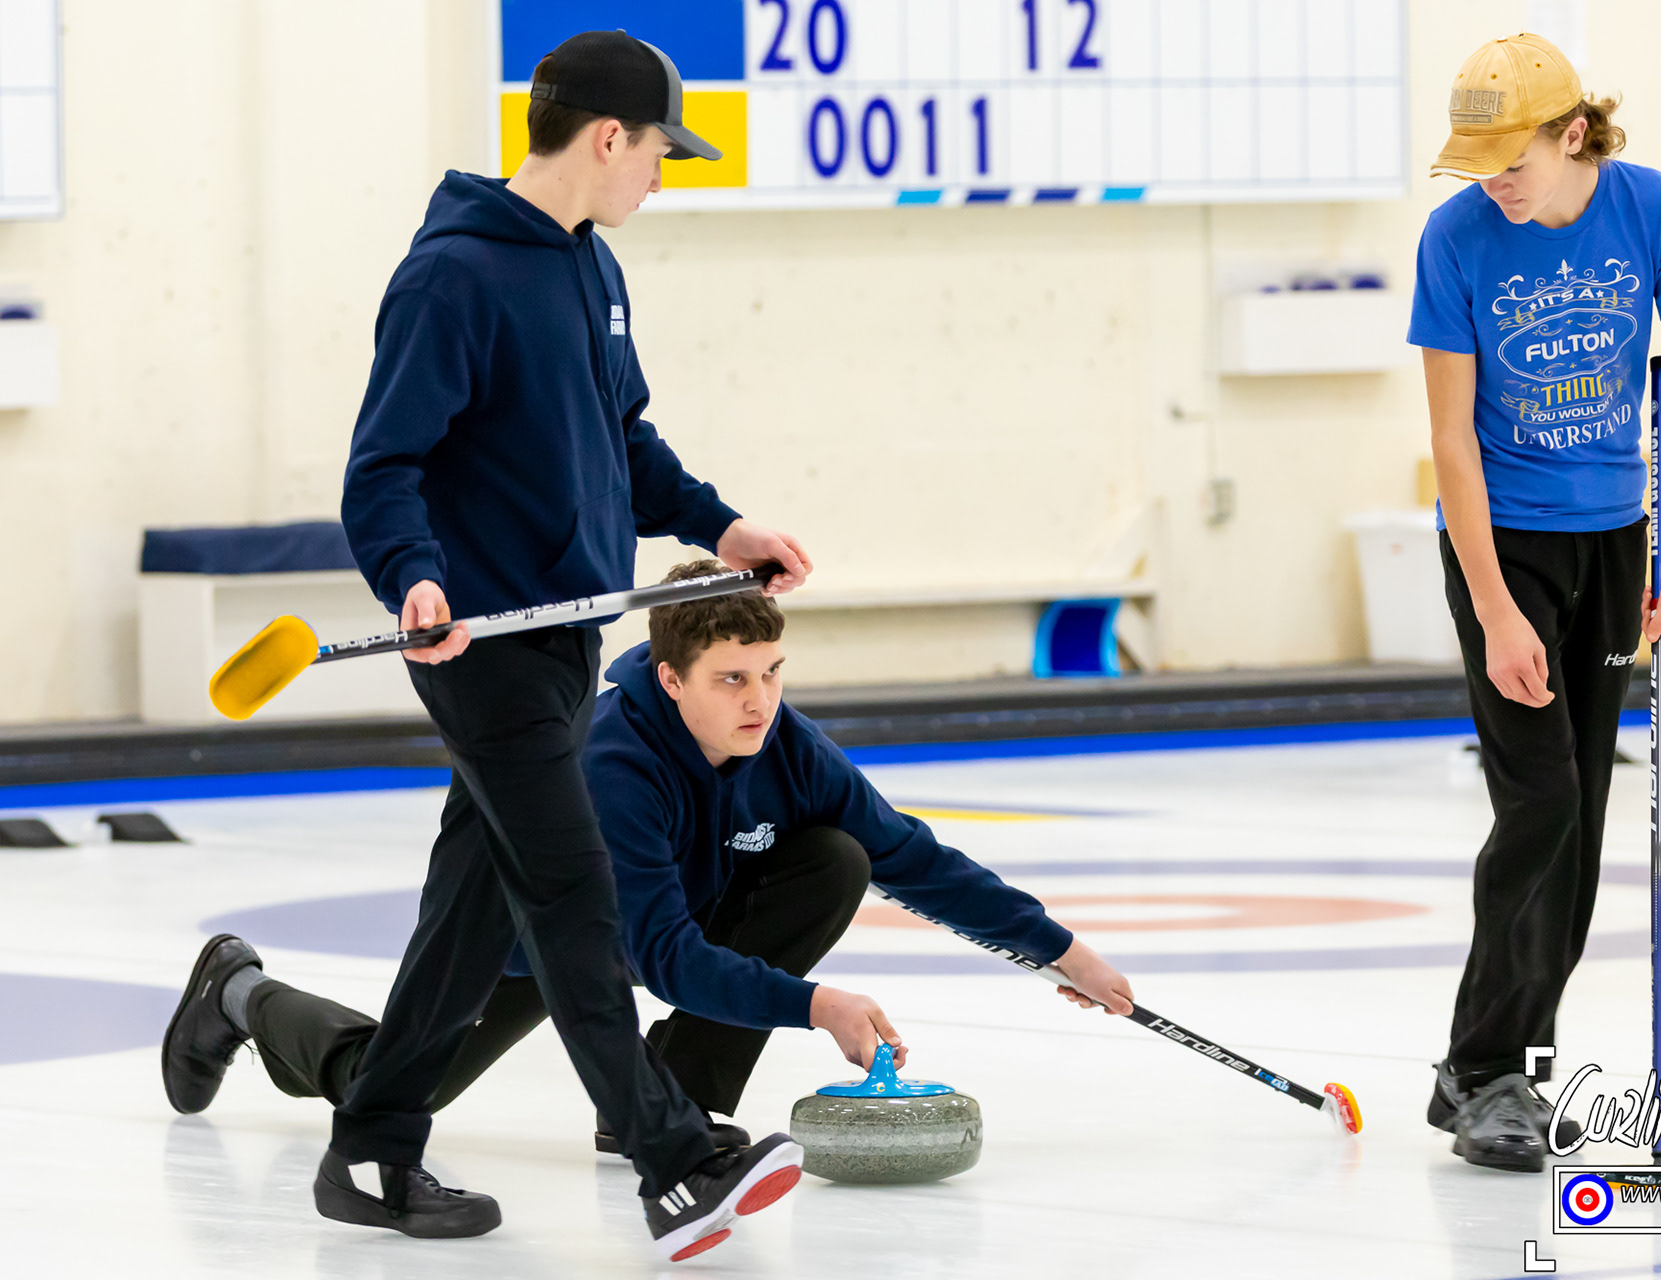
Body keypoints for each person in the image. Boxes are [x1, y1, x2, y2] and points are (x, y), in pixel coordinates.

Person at [163, 31, 815, 1263]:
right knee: (574, 892)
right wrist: (414, 575)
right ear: (608, 137)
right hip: (483, 647)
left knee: (472, 910)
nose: (661, 175)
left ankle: (372, 1144)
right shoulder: (452, 278)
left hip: (566, 638)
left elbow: (625, 441)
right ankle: (676, 1160)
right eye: (659, 152)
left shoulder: (591, 268)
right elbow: (383, 469)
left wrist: (720, 525)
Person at [161, 562, 1136, 1199]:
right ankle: (238, 993)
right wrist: (814, 1004)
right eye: (732, 679)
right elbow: (661, 955)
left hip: (657, 914)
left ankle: (676, 1099)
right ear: (671, 680)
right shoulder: (612, 768)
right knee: (386, 1087)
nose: (761, 701)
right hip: (527, 939)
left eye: (772, 672)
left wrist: (1063, 951)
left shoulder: (786, 743)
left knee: (834, 857)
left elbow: (911, 856)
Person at [1410, 33, 1661, 1172]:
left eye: (1514, 160)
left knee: (1582, 817)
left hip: (1616, 540)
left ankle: (1515, 1066)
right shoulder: (1454, 238)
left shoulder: (1654, 211)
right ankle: (1480, 1063)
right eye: (1480, 164)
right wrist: (1495, 607)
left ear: (1574, 133)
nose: (1495, 183)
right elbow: (1451, 438)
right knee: (1540, 800)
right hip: (1505, 546)